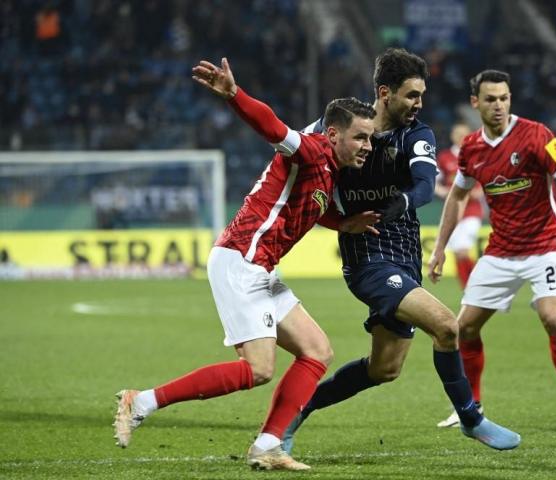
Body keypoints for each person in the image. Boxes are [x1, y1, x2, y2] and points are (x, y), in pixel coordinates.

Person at [113, 57, 379, 471]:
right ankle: (141, 402)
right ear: (332, 134)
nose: (367, 146)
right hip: (242, 259)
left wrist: (346, 223)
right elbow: (272, 127)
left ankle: (268, 446)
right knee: (258, 369)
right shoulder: (310, 151)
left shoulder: (329, 173)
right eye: (361, 138)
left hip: (262, 267)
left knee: (316, 351)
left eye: (370, 139)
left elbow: (315, 208)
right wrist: (234, 95)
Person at [282, 48, 521, 454]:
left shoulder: (417, 135)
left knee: (383, 369)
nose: (419, 104)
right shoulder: (341, 124)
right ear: (384, 92)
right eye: (411, 95)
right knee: (448, 326)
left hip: (404, 257)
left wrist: (404, 202)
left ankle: (294, 414)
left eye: (421, 95)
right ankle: (471, 418)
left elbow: (426, 185)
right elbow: (295, 149)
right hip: (366, 259)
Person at [428, 69, 556, 430]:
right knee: (463, 329)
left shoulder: (536, 135)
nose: (499, 105)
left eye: (504, 98)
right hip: (500, 251)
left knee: (552, 316)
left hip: (546, 244)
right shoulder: (471, 148)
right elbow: (456, 196)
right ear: (476, 103)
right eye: (490, 99)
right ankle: (470, 407)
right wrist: (440, 249)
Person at [434, 121, 486, 291]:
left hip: (471, 211)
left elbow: (480, 190)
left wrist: (462, 193)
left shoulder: (476, 156)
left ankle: (479, 284)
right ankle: (468, 289)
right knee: (457, 253)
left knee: (463, 250)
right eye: (458, 135)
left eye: (465, 135)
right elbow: (434, 182)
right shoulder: (444, 157)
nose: (461, 138)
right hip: (453, 213)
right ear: (452, 136)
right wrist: (442, 192)